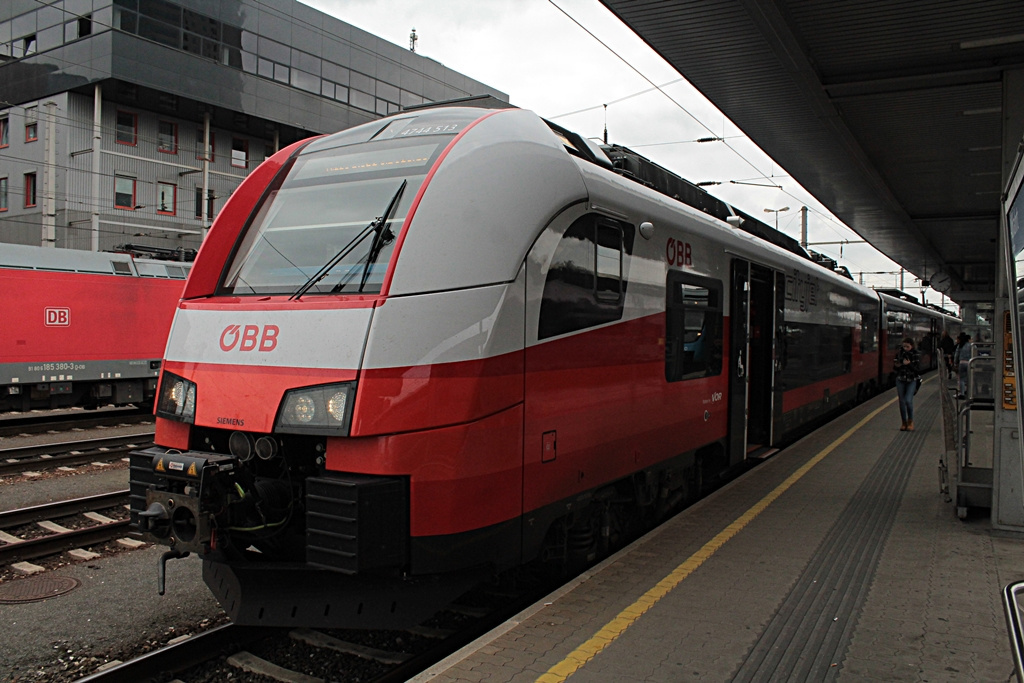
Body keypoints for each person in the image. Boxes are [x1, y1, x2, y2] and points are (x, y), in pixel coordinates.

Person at [894, 337, 921, 431]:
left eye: (907, 346)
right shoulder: (900, 353)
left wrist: (908, 364)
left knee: (908, 400)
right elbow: (895, 366)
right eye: (904, 346)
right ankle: (903, 422)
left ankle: (910, 421)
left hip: (911, 380)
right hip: (900, 379)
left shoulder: (915, 354)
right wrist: (900, 363)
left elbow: (917, 370)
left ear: (912, 346)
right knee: (901, 401)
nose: (905, 348)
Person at [954, 332, 973, 398]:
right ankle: (968, 392)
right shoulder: (971, 345)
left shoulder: (960, 345)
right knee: (969, 378)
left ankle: (961, 393)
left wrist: (955, 363)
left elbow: (956, 355)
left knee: (961, 379)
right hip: (969, 363)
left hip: (962, 363)